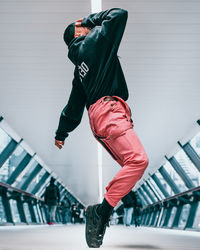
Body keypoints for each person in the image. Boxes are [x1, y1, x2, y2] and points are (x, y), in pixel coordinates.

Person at [54, 8, 149, 247]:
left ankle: (103, 211)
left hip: (99, 119)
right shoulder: (94, 42)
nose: (88, 27)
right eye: (81, 27)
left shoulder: (80, 69)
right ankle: (101, 212)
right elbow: (119, 14)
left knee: (130, 166)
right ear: (78, 33)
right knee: (138, 160)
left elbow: (73, 107)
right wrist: (86, 20)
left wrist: (61, 133)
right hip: (109, 111)